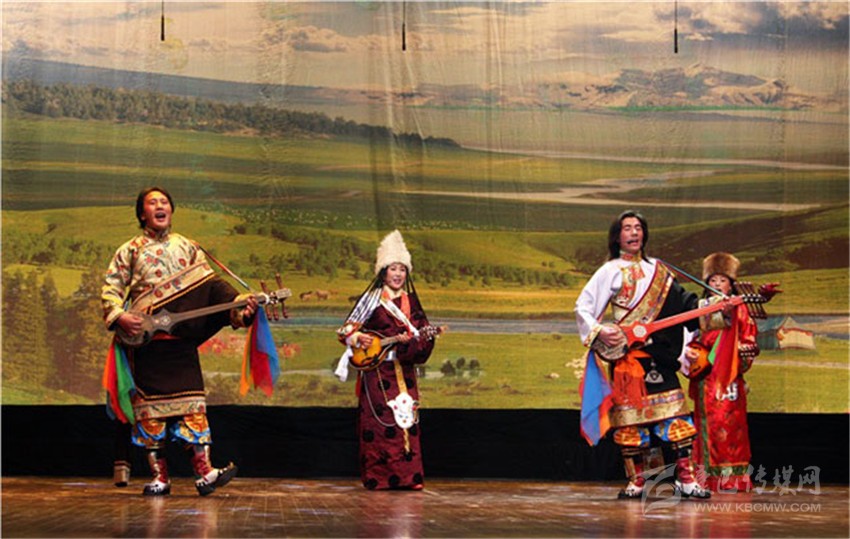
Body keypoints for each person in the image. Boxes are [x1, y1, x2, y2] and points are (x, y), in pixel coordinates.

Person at [102, 186, 258, 496]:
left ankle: (206, 473)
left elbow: (211, 287)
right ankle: (160, 478)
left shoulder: (189, 247)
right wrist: (120, 316)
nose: (160, 206)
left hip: (181, 345)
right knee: (152, 415)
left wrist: (239, 305)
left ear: (171, 210)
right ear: (142, 213)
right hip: (147, 345)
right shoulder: (129, 250)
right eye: (152, 202)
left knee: (193, 411)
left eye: (164, 202)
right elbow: (112, 289)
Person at [575, 210, 712, 499]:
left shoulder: (659, 271)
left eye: (638, 227)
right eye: (627, 228)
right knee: (631, 423)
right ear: (617, 236)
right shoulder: (610, 271)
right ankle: (636, 481)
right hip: (629, 360)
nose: (634, 232)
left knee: (676, 419)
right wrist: (600, 331)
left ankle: (687, 480)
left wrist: (715, 307)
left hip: (659, 356)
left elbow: (685, 304)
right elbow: (583, 307)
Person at [334, 230, 436, 490]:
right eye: (393, 268)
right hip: (378, 372)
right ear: (383, 272)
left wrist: (420, 340)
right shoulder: (371, 300)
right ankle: (379, 477)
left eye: (402, 269)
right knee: (380, 425)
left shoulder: (412, 302)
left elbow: (422, 332)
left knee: (407, 421)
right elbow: (345, 331)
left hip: (405, 371)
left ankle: (410, 477)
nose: (398, 274)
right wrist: (358, 338)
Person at [683, 252, 770, 492]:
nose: (717, 284)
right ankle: (705, 478)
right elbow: (691, 339)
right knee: (705, 427)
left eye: (722, 280)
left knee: (730, 427)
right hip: (705, 378)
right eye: (713, 280)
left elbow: (749, 339)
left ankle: (731, 479)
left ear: (731, 284)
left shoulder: (740, 310)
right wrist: (692, 353)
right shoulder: (701, 309)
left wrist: (737, 354)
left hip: (729, 377)